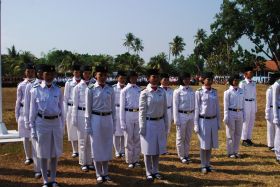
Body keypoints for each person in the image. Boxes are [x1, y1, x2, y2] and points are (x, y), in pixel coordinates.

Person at [29, 65, 64, 187]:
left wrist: (62, 126)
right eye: (46, 74)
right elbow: (32, 111)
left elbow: (62, 110)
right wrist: (32, 129)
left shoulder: (58, 90)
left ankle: (53, 179)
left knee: (54, 154)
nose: (49, 76)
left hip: (55, 123)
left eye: (51, 74)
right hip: (42, 124)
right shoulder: (35, 89)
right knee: (43, 154)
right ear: (41, 75)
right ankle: (45, 180)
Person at [85, 65, 116, 183]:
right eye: (100, 75)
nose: (103, 77)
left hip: (108, 118)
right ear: (95, 76)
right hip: (96, 118)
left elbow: (113, 108)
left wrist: (114, 123)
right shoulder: (91, 89)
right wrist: (88, 125)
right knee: (96, 146)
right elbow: (88, 109)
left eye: (104, 75)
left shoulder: (110, 89)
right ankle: (98, 173)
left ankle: (106, 172)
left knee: (107, 145)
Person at [139, 68, 168, 182]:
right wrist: (142, 126)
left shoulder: (162, 92)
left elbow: (165, 109)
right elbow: (142, 111)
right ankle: (148, 171)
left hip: (160, 122)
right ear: (148, 78)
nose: (155, 78)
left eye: (157, 76)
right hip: (149, 123)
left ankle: (156, 170)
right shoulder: (144, 93)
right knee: (148, 150)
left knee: (157, 148)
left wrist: (166, 124)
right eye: (153, 76)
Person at [194, 72, 220, 174]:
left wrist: (218, 121)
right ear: (203, 80)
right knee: (204, 144)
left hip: (213, 120)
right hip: (203, 120)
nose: (209, 81)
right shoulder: (199, 92)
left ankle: (208, 164)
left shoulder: (214, 92)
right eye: (207, 79)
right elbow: (196, 108)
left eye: (211, 79)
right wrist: (196, 124)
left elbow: (217, 108)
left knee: (210, 144)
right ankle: (203, 165)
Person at [23, 64, 46, 179]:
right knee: (36, 146)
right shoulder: (31, 86)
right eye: (41, 73)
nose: (42, 75)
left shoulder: (50, 86)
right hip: (36, 121)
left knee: (46, 146)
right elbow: (27, 106)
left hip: (47, 122)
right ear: (39, 74)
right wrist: (27, 122)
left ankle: (47, 169)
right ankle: (38, 169)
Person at [71, 65, 95, 172]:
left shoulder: (94, 85)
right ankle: (83, 162)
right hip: (80, 113)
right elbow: (74, 104)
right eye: (85, 73)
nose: (87, 75)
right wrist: (74, 118)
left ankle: (89, 162)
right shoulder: (77, 87)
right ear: (82, 74)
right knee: (82, 140)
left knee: (90, 140)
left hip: (91, 114)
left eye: (89, 73)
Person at [120, 70, 141, 168]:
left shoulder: (139, 89)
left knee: (137, 138)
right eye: (132, 77)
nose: (134, 79)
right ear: (129, 78)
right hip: (128, 114)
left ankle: (136, 159)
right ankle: (129, 160)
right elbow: (121, 108)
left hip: (138, 114)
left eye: (135, 77)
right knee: (128, 139)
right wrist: (122, 122)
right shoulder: (124, 90)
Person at [15, 63, 36, 165]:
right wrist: (17, 115)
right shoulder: (21, 85)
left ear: (35, 72)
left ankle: (37, 156)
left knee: (35, 136)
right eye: (28, 71)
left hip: (35, 112)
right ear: (25, 72)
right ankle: (28, 157)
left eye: (32, 72)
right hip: (23, 112)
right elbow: (18, 101)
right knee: (25, 136)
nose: (30, 73)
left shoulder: (38, 84)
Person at [173, 72, 195, 164]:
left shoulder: (191, 90)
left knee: (188, 137)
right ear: (181, 80)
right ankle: (181, 156)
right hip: (181, 115)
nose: (187, 81)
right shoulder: (177, 91)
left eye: (188, 79)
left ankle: (186, 154)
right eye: (185, 79)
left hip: (190, 115)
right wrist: (176, 119)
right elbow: (175, 106)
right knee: (180, 137)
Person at [223, 74, 245, 158]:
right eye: (234, 80)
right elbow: (226, 105)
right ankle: (230, 152)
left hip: (240, 113)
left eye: (237, 80)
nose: (236, 82)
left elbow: (243, 103)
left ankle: (236, 151)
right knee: (230, 134)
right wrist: (226, 116)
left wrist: (244, 115)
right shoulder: (227, 92)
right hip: (231, 113)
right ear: (231, 81)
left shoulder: (242, 91)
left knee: (238, 133)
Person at [64, 64, 81, 158]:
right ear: (73, 72)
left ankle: (81, 148)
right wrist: (65, 112)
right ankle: (75, 150)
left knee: (81, 129)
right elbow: (65, 98)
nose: (77, 73)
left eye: (79, 72)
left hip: (81, 108)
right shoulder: (69, 83)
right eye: (75, 72)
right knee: (72, 129)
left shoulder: (84, 82)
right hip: (71, 107)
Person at [239, 66, 257, 146]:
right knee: (245, 121)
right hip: (245, 103)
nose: (252, 73)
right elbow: (241, 95)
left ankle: (249, 138)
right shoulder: (242, 83)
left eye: (252, 72)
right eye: (250, 72)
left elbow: (255, 95)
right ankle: (244, 139)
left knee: (251, 121)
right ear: (246, 74)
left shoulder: (253, 83)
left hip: (252, 103)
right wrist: (241, 107)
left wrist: (255, 106)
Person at [113, 70, 127, 159]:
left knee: (123, 132)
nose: (122, 80)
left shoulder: (127, 88)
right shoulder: (113, 88)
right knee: (116, 133)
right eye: (121, 78)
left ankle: (123, 150)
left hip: (125, 111)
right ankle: (117, 151)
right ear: (117, 78)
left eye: (124, 78)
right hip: (116, 110)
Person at [265, 73, 279, 151]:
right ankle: (270, 144)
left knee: (277, 129)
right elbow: (268, 103)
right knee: (270, 128)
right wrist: (267, 113)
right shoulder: (270, 89)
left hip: (277, 109)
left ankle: (276, 145)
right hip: (271, 110)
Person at [160, 73, 173, 143]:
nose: (166, 81)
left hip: (169, 110)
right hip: (161, 111)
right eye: (164, 80)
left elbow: (173, 103)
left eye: (167, 80)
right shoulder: (158, 90)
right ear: (160, 80)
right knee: (161, 129)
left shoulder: (171, 90)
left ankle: (164, 146)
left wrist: (173, 115)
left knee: (167, 129)